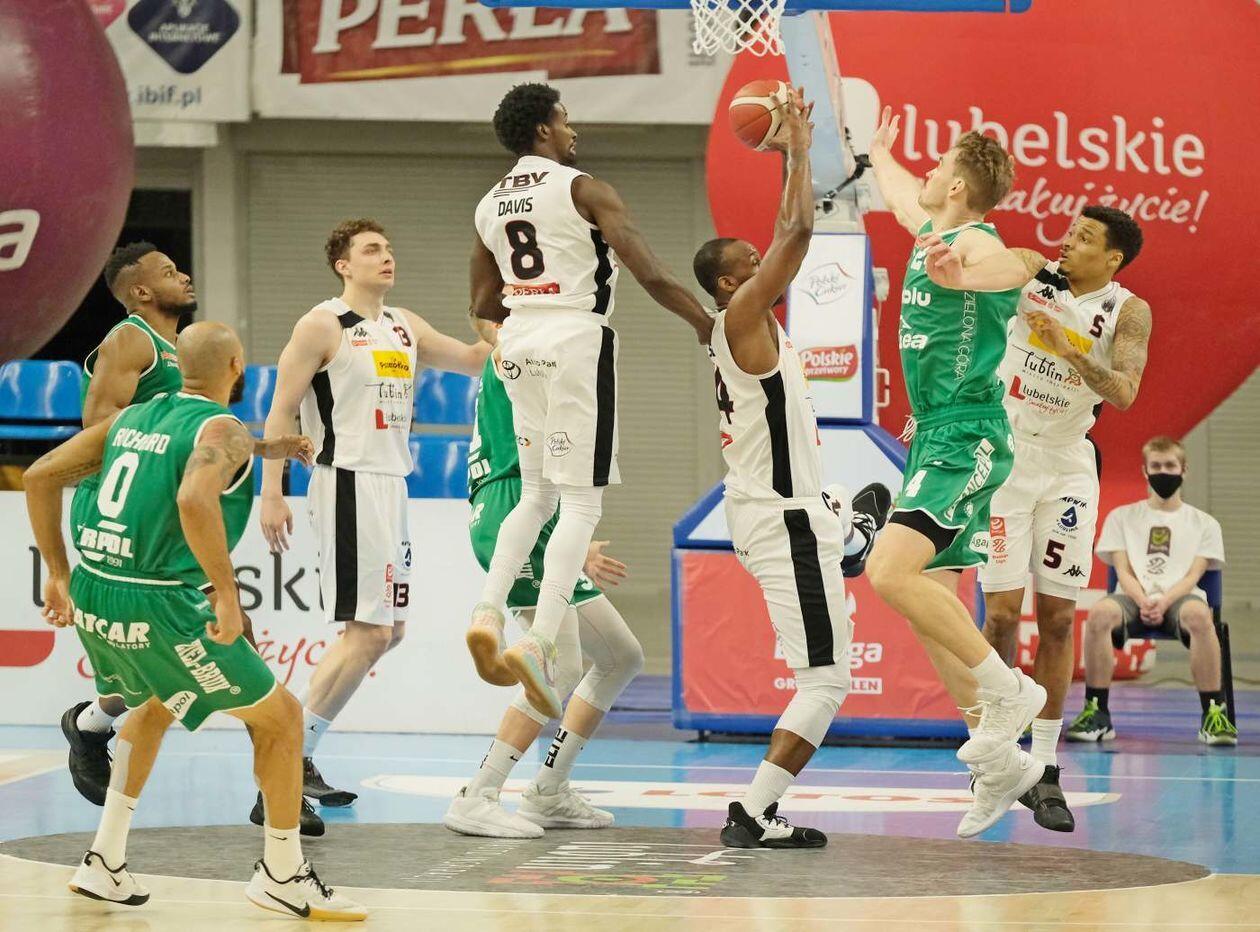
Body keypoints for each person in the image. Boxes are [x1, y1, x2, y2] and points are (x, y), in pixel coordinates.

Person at [25, 322, 363, 919]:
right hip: (161, 604)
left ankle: (104, 861)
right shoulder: (222, 429)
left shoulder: (136, 416)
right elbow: (193, 496)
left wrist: (57, 571)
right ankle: (282, 874)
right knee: (283, 720)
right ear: (237, 366)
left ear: (179, 367)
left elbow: (39, 475)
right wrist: (227, 593)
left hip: (99, 593)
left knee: (153, 706)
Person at [59, 243, 325, 836]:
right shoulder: (131, 340)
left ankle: (95, 730)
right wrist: (151, 476)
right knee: (224, 646)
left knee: (182, 668)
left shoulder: (176, 352)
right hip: (136, 522)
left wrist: (262, 447)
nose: (182, 274)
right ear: (140, 291)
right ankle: (278, 794)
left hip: (161, 515)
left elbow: (189, 433)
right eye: (166, 271)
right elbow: (100, 430)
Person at [467, 82, 713, 720]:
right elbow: (650, 271)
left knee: (535, 495)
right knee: (579, 502)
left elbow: (482, 303)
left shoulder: (490, 203)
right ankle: (540, 640)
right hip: (574, 338)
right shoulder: (584, 189)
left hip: (518, 342)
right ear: (544, 130)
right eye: (565, 119)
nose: (573, 131)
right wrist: (707, 326)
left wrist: (526, 308)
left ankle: (487, 614)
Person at [691, 87, 891, 849]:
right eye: (751, 264)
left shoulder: (755, 325)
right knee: (826, 681)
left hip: (785, 513)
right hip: (782, 523)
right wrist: (798, 150)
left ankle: (848, 529)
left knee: (828, 496)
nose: (766, 263)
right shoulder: (742, 318)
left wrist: (787, 158)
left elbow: (783, 232)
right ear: (729, 285)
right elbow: (798, 231)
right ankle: (753, 811)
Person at [920, 206, 1151, 831]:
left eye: (1085, 238)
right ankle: (996, 760)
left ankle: (1046, 767)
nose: (1068, 242)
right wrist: (956, 268)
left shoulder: (1128, 310)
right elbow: (992, 266)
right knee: (999, 614)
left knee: (1057, 619)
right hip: (1008, 454)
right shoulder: (1031, 272)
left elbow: (1125, 392)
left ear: (1113, 259)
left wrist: (1069, 349)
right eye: (1070, 232)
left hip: (1069, 465)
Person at [259, 219, 491, 807]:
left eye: (388, 248)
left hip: (391, 485)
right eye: (371, 250)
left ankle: (295, 753)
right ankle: (283, 763)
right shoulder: (322, 324)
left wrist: (509, 311)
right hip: (346, 480)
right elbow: (281, 412)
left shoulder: (403, 324)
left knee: (389, 633)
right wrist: (272, 491)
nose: (386, 257)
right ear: (343, 265)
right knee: (369, 633)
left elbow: (474, 360)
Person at [864, 105, 1047, 838]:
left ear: (960, 186)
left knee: (886, 572)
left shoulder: (973, 242)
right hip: (935, 434)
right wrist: (879, 152)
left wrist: (967, 274)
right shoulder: (932, 228)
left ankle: (1009, 691)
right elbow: (900, 195)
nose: (929, 172)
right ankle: (998, 764)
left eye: (940, 165)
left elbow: (1016, 265)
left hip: (965, 435)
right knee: (931, 607)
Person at [444, 312, 644, 838]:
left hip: (529, 510)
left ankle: (549, 790)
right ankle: (479, 794)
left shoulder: (517, 347)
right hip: (517, 502)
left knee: (621, 656)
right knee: (560, 665)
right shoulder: (527, 344)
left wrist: (570, 543)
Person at [1067, 436, 1234, 746]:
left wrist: (1164, 601)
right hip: (1132, 598)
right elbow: (1122, 570)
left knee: (1200, 615)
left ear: (1184, 470)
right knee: (1100, 613)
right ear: (1145, 471)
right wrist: (1143, 600)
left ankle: (1213, 715)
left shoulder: (1205, 523)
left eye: (1170, 465)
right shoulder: (1121, 517)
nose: (1163, 472)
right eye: (1156, 466)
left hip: (1181, 599)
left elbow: (1195, 574)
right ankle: (1097, 712)